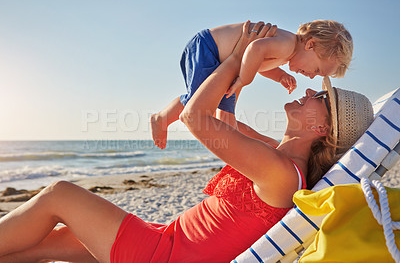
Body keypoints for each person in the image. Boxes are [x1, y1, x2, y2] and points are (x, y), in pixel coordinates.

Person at [0, 22, 372, 263]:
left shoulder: (282, 173)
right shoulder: (275, 154)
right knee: (48, 243)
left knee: (59, 194)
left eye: (322, 100)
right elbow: (222, 120)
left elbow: (197, 120)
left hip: (162, 255)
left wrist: (240, 54)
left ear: (324, 129)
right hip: (164, 238)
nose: (311, 90)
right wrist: (234, 65)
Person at [151, 19, 353, 149]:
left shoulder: (286, 52)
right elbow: (255, 49)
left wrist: (279, 75)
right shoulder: (287, 44)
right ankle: (161, 119)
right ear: (310, 45)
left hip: (225, 63)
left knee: (223, 119)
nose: (310, 77)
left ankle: (238, 152)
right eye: (316, 70)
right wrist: (244, 80)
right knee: (201, 103)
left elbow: (259, 62)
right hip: (208, 49)